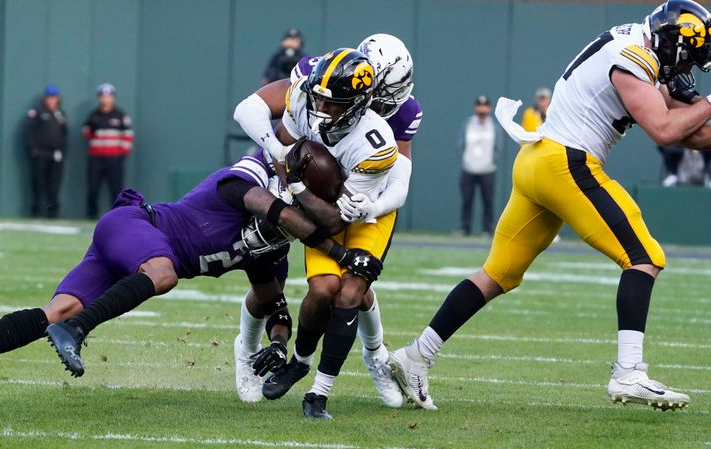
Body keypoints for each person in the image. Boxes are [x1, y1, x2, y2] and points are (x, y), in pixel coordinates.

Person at [389, 0, 711, 412]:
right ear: (673, 44)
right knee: (644, 256)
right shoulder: (632, 57)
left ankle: (416, 355)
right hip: (567, 162)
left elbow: (691, 134)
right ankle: (629, 371)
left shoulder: (635, 44)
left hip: (538, 160)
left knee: (497, 274)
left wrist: (701, 107)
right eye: (690, 59)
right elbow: (665, 129)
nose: (688, 71)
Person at [0, 148, 383, 405]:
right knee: (163, 275)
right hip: (134, 227)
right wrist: (339, 250)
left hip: (130, 249)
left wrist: (279, 343)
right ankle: (78, 330)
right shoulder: (237, 187)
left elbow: (274, 303)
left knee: (57, 309)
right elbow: (269, 206)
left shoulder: (269, 252)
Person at [235, 34, 420, 407]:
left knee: (353, 285)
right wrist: (285, 167)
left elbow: (396, 183)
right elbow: (262, 118)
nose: (389, 102)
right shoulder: (315, 83)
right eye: (384, 91)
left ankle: (373, 357)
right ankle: (248, 351)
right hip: (289, 175)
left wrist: (371, 208)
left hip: (353, 198)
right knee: (269, 274)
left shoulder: (383, 129)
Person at [83, 83, 135, 219]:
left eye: (108, 96)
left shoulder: (120, 115)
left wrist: (121, 154)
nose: (105, 99)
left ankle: (117, 217)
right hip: (96, 158)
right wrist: (91, 127)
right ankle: (91, 215)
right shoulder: (93, 115)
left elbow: (128, 136)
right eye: (102, 96)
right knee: (93, 187)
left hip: (114, 158)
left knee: (116, 188)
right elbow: (86, 134)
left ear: (113, 98)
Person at [457, 95, 503, 236]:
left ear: (489, 108)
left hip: (487, 170)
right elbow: (461, 144)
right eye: (479, 105)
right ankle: (465, 228)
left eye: (485, 106)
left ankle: (487, 229)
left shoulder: (493, 126)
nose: (482, 109)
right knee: (467, 200)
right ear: (475, 107)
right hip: (468, 169)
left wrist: (490, 161)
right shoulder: (468, 124)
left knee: (488, 201)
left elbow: (498, 147)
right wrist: (467, 160)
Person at [26, 85, 67, 218]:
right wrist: (34, 149)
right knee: (38, 184)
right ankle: (36, 212)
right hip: (41, 154)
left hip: (56, 155)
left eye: (54, 97)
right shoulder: (37, 112)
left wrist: (62, 151)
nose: (52, 100)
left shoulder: (61, 114)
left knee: (54, 185)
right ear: (45, 98)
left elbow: (65, 134)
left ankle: (52, 214)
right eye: (49, 97)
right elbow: (29, 132)